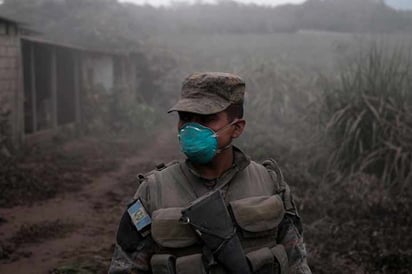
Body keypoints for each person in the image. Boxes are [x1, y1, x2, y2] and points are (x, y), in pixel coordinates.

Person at [108, 72, 311, 274]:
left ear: (237, 128)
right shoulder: (153, 192)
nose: (191, 128)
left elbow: (296, 263)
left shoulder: (269, 183)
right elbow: (126, 266)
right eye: (185, 118)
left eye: (206, 119)